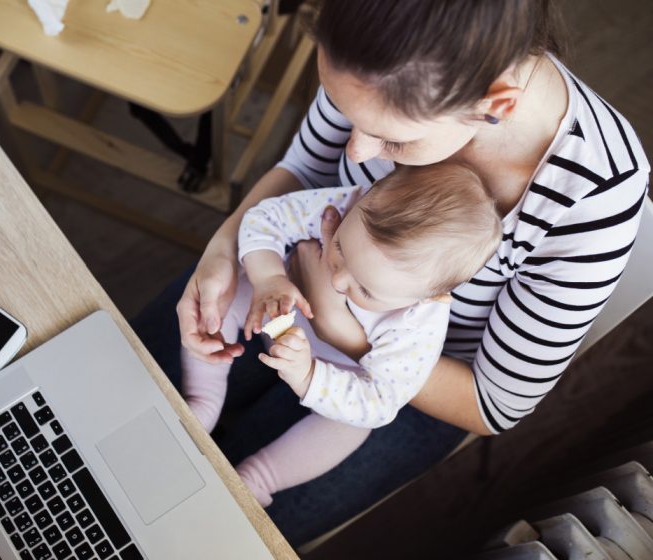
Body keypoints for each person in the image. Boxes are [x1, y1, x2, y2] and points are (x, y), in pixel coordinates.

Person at [132, 0, 650, 546]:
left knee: (206, 530)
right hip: (285, 271)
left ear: (495, 104)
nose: (358, 150)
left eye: (394, 141)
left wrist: (348, 336)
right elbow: (306, 168)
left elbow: (493, 402)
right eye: (345, 112)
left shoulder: (595, 194)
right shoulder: (381, 44)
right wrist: (222, 249)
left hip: (411, 382)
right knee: (124, 404)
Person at [182, 163, 501, 506]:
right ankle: (203, 399)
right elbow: (264, 218)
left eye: (364, 289)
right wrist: (268, 278)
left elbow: (380, 400)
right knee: (225, 296)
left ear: (428, 296)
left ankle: (259, 478)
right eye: (340, 250)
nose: (337, 282)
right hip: (277, 306)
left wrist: (309, 376)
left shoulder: (420, 322)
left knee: (352, 426)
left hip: (338, 370)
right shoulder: (350, 204)